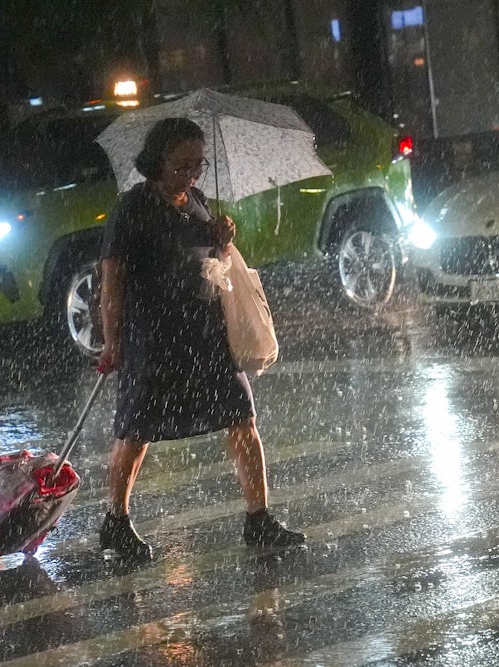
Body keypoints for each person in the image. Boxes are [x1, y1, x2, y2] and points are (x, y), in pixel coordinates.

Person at [95, 117, 305, 561]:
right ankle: (115, 521)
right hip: (153, 338)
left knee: (242, 418)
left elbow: (212, 262)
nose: (190, 174)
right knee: (136, 431)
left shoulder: (198, 201)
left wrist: (222, 239)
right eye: (181, 165)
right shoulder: (131, 209)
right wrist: (112, 340)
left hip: (205, 334)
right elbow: (112, 279)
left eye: (198, 165)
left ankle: (259, 519)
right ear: (157, 160)